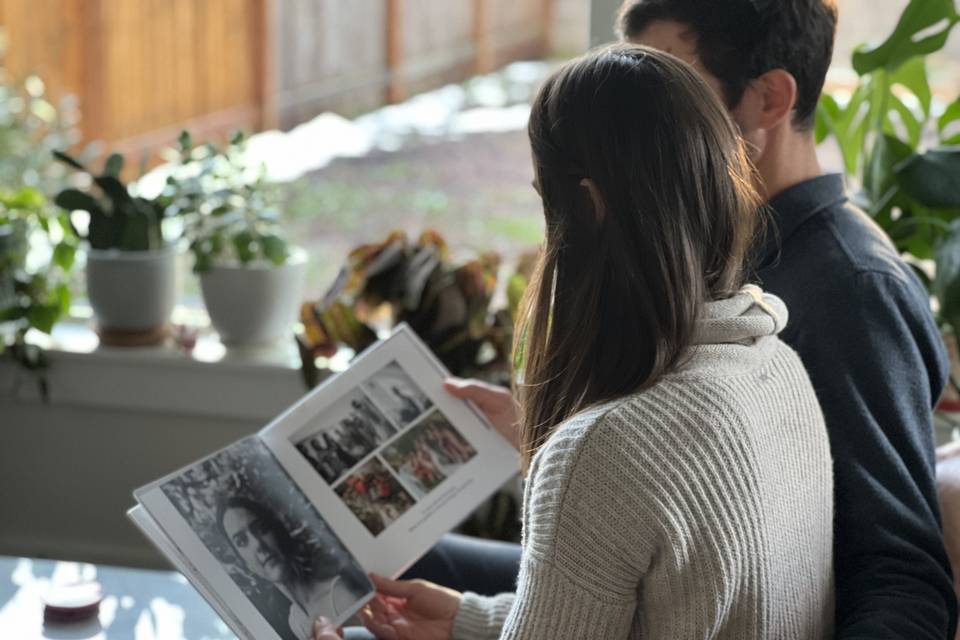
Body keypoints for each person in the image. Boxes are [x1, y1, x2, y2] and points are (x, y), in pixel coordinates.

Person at [402, 2, 958, 638]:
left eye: (673, 83)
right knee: (403, 565)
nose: (653, 107)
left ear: (769, 100)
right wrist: (545, 430)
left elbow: (900, 578)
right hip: (684, 582)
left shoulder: (849, 292)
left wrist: (588, 451)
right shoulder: (757, 319)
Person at [319, 44, 835, 639]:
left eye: (548, 201)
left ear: (589, 206)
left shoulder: (605, 449)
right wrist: (468, 623)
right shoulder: (780, 368)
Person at [217, 496, 368, 640]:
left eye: (261, 528)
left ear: (278, 531)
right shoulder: (295, 619)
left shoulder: (341, 596)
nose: (257, 544)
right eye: (242, 541)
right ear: (245, 564)